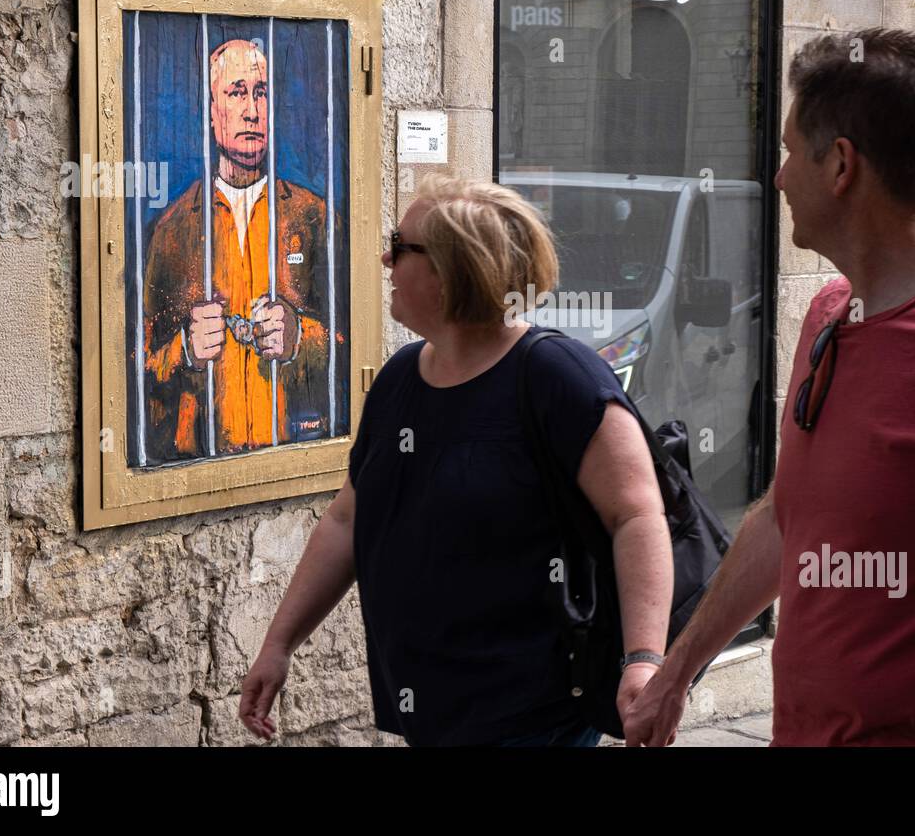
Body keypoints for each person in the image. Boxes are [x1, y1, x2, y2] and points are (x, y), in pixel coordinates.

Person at [623, 28, 915, 747]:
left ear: (840, 165)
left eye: (787, 152)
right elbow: (785, 520)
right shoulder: (829, 315)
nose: (777, 178)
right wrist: (676, 673)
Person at [238, 174, 674, 746]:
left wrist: (644, 659)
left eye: (399, 247)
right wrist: (278, 644)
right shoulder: (400, 379)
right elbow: (348, 518)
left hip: (533, 718)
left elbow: (637, 517)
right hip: (431, 708)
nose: (383, 259)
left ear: (451, 271)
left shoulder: (555, 378)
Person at [143, 38, 340, 460]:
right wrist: (184, 349)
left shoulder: (314, 217)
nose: (252, 109)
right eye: (236, 92)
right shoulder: (172, 231)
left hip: (295, 454)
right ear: (213, 112)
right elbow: (137, 368)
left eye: (261, 92)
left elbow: (355, 344)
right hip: (198, 464)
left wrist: (300, 338)